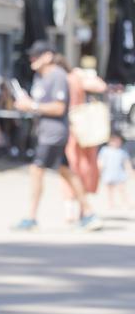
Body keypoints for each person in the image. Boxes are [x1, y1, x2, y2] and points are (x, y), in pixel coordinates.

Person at [12, 41, 101, 231]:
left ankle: (31, 217)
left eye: (36, 55)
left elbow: (59, 108)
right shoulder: (41, 78)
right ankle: (89, 212)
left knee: (37, 170)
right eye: (31, 56)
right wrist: (27, 103)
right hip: (45, 131)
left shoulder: (58, 76)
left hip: (53, 133)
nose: (32, 59)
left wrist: (32, 106)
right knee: (66, 171)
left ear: (48, 56)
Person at [56, 56, 106, 221]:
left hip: (69, 128)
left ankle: (71, 208)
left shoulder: (62, 79)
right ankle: (81, 208)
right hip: (82, 128)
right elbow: (100, 86)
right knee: (81, 167)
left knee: (68, 168)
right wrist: (84, 75)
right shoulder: (76, 77)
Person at [98, 133, 132, 209]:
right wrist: (99, 171)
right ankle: (111, 203)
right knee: (109, 190)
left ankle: (126, 202)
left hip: (119, 173)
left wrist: (130, 171)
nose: (116, 143)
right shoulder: (105, 150)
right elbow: (101, 162)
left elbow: (126, 162)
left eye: (118, 141)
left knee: (122, 189)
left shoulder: (122, 151)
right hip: (108, 173)